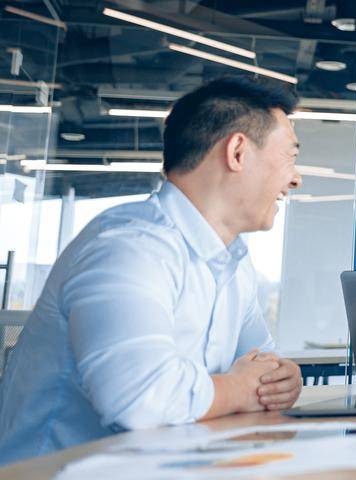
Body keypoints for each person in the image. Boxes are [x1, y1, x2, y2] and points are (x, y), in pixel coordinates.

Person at [0, 77, 306, 464]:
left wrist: (281, 380)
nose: (295, 178)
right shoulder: (128, 247)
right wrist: (241, 389)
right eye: (290, 157)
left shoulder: (232, 264)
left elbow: (263, 366)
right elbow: (141, 399)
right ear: (238, 152)